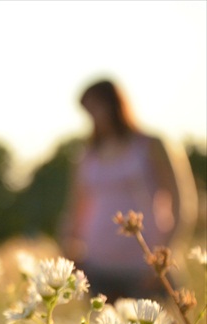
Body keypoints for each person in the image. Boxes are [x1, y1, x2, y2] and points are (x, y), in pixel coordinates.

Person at [60, 79, 197, 303]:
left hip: (145, 269)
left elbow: (183, 201)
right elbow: (75, 208)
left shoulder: (151, 145)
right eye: (88, 111)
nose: (92, 117)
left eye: (96, 108)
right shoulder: (87, 155)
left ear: (114, 104)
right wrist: (67, 250)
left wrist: (162, 259)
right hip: (97, 269)